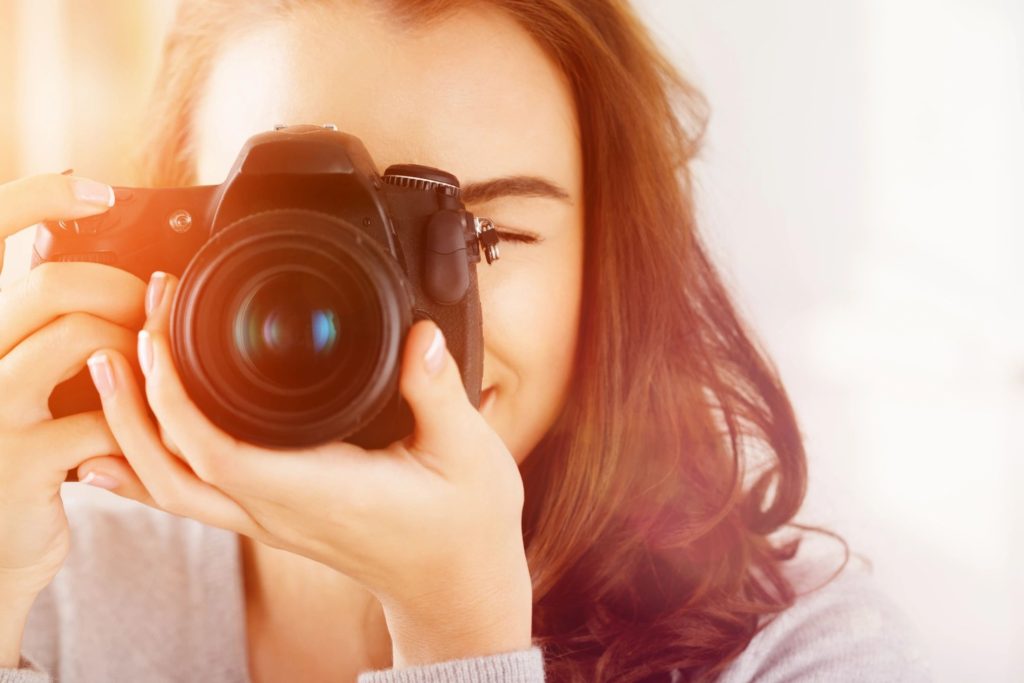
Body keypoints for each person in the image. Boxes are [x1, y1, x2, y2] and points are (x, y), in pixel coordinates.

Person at [0, 1, 932, 681]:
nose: (385, 318)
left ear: (609, 265)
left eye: (479, 237)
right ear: (173, 240)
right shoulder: (46, 568)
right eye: (295, 232)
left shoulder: (801, 653)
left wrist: (462, 637)